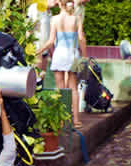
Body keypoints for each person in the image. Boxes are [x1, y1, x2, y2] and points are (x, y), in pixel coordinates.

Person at [35, 0, 87, 128]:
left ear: (59, 4)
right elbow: (81, 38)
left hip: (59, 55)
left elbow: (51, 41)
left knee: (60, 88)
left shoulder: (55, 19)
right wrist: (84, 56)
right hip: (74, 55)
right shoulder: (77, 18)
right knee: (73, 88)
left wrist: (39, 51)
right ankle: (75, 120)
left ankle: (62, 119)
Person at [27, 0, 58, 78]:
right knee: (35, 77)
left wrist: (51, 52)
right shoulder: (34, 8)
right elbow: (28, 29)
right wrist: (31, 48)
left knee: (41, 77)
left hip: (45, 50)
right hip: (36, 48)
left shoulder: (49, 12)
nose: (57, 1)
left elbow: (49, 34)